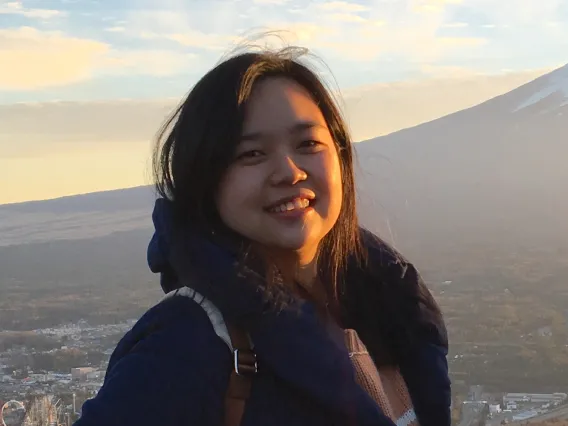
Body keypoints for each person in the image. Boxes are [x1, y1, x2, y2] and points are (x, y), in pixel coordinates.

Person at [73, 46, 450, 426]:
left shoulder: (386, 309)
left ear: (340, 156)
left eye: (307, 144)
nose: (288, 172)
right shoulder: (187, 345)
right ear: (206, 179)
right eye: (252, 153)